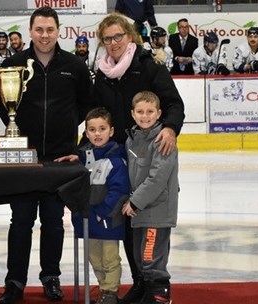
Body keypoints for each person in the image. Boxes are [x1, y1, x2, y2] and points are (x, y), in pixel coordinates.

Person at [0, 6, 95, 304]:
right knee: (21, 220)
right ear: (30, 31)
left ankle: (51, 277)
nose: (45, 35)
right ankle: (15, 281)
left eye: (50, 30)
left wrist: (69, 134)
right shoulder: (14, 63)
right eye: (39, 30)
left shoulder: (74, 66)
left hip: (60, 159)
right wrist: (17, 128)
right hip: (24, 156)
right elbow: (1, 101)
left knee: (53, 221)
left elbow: (86, 105)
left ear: (58, 31)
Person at [91, 12, 184, 304]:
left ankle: (154, 285)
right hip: (119, 160)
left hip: (146, 153)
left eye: (119, 36)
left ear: (130, 36)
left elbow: (173, 103)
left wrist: (169, 128)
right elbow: (97, 115)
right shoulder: (103, 73)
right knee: (129, 226)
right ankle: (141, 281)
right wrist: (85, 147)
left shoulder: (148, 66)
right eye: (108, 38)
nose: (114, 42)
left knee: (146, 225)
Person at [55, 107, 130, 304]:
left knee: (110, 258)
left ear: (111, 131)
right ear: (86, 132)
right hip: (87, 219)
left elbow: (119, 191)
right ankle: (104, 289)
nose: (97, 134)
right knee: (94, 257)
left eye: (102, 129)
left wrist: (103, 212)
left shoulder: (116, 160)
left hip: (106, 219)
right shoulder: (83, 157)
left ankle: (110, 291)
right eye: (92, 129)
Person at [122, 91, 179, 304]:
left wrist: (135, 201)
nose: (144, 116)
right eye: (140, 112)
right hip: (139, 211)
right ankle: (147, 293)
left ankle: (159, 296)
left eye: (150, 112)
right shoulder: (132, 140)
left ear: (159, 113)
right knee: (140, 258)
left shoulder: (162, 140)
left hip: (156, 209)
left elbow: (158, 179)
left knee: (151, 257)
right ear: (132, 114)